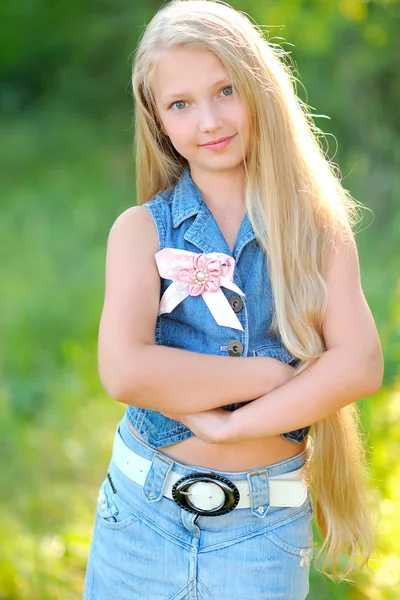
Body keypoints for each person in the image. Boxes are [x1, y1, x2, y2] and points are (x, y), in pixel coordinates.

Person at [83, 1, 383, 598]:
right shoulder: (141, 231)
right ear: (158, 120)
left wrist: (232, 428)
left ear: (259, 89)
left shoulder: (316, 231)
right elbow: (124, 369)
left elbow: (360, 363)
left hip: (263, 531)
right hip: (142, 517)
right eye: (181, 104)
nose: (210, 120)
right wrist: (269, 374)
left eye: (226, 91)